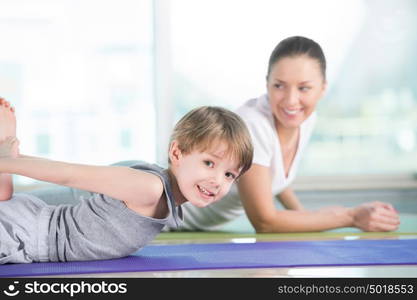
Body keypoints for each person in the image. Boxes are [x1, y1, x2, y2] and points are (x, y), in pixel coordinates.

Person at [172, 36, 400, 233]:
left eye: (304, 88)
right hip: (165, 216)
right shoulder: (253, 124)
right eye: (279, 86)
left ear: (323, 88)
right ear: (267, 84)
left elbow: (274, 178)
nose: (291, 101)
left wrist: (303, 217)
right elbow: (265, 221)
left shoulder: (305, 119)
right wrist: (351, 216)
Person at [0, 98, 253, 264]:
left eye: (229, 174)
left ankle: (6, 163)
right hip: (22, 234)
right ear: (177, 153)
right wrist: (12, 161)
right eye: (209, 163)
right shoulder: (150, 188)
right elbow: (70, 174)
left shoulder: (168, 198)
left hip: (27, 228)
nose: (218, 180)